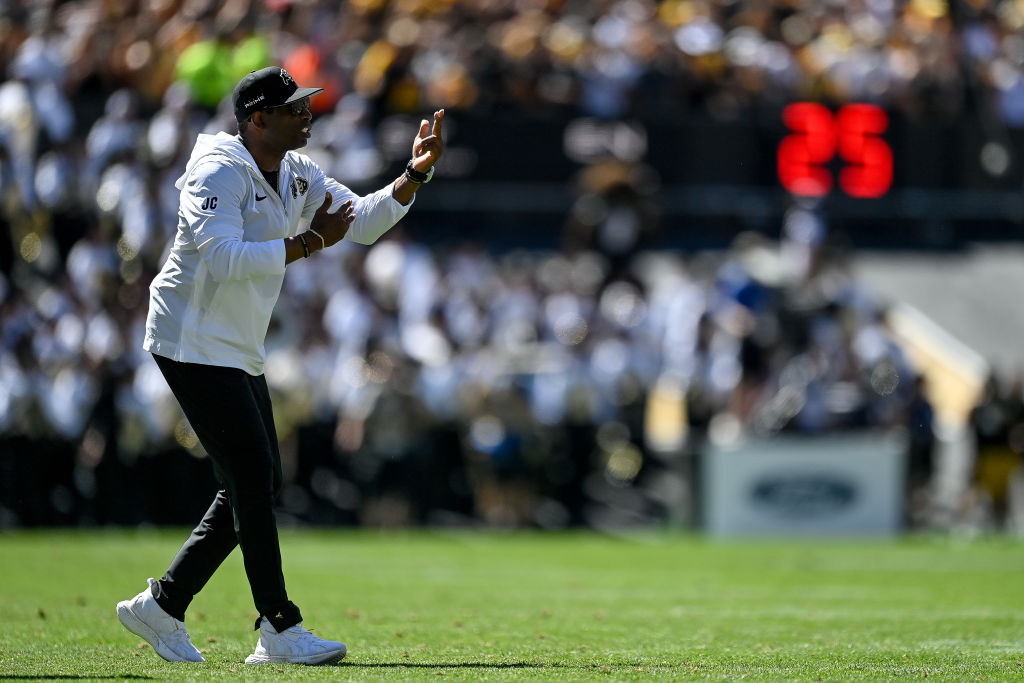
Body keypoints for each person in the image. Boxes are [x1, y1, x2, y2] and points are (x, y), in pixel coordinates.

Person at [115, 66, 444, 666]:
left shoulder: (297, 170)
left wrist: (412, 175)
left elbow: (361, 223)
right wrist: (311, 243)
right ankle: (279, 627)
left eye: (306, 105)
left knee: (256, 481)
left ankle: (162, 604)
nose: (307, 115)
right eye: (294, 108)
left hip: (236, 342)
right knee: (252, 477)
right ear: (257, 118)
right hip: (189, 337)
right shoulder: (216, 168)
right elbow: (222, 259)